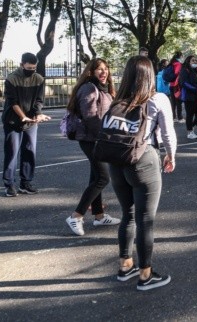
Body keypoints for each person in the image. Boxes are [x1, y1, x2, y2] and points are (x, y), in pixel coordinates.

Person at [109, 55, 177, 291]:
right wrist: (171, 155)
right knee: (145, 220)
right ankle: (146, 275)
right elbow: (168, 134)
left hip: (116, 161)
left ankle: (125, 265)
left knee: (127, 214)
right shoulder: (157, 98)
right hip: (143, 158)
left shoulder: (117, 100)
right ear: (150, 75)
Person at [65, 58, 121, 236]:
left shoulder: (104, 88)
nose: (104, 72)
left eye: (106, 69)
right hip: (92, 139)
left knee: (95, 177)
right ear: (91, 72)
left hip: (98, 138)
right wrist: (105, 138)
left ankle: (98, 216)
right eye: (99, 69)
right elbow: (90, 117)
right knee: (103, 178)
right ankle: (76, 215)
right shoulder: (89, 88)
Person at [2, 52, 50, 197]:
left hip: (31, 121)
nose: (31, 71)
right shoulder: (11, 79)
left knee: (29, 151)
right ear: (22, 64)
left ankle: (26, 182)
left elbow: (39, 100)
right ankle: (9, 184)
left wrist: (37, 114)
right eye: (28, 68)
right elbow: (13, 102)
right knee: (12, 152)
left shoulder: (39, 79)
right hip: (13, 120)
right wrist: (23, 117)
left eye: (33, 68)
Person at [180, 55, 197, 139]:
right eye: (192, 61)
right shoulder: (185, 70)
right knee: (190, 115)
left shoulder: (194, 71)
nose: (194, 63)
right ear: (188, 61)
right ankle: (190, 132)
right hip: (189, 97)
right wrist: (196, 89)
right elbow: (183, 83)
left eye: (195, 61)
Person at [165, 52, 184, 122]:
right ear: (180, 56)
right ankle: (180, 117)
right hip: (177, 85)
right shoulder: (178, 64)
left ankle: (174, 117)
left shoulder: (172, 63)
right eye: (182, 56)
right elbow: (176, 73)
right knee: (178, 102)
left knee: (173, 102)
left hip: (171, 85)